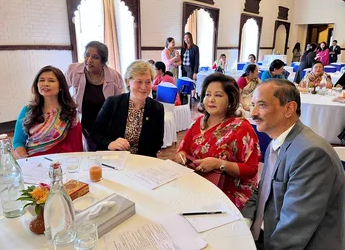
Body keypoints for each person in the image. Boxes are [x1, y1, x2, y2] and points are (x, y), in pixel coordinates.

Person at [242, 79, 345, 250]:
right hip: (265, 233)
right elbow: (263, 188)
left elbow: (295, 229)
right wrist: (245, 221)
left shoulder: (311, 154)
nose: (252, 113)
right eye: (253, 104)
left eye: (261, 105)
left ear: (289, 109)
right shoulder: (277, 141)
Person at [173, 73, 260, 210]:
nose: (211, 100)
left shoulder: (242, 128)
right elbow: (182, 150)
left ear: (230, 100)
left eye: (218, 95)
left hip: (227, 192)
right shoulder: (197, 123)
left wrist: (219, 164)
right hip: (196, 184)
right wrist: (181, 156)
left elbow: (251, 169)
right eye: (208, 94)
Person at [92, 60, 164, 157]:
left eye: (148, 82)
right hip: (112, 158)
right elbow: (96, 133)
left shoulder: (157, 108)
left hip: (141, 161)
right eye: (139, 81)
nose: (144, 87)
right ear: (127, 82)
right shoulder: (112, 103)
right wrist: (110, 144)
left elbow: (157, 143)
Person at [65, 41, 124, 151]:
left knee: (107, 151)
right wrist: (68, 106)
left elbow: (120, 102)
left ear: (103, 61)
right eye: (87, 55)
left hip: (107, 124)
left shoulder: (114, 77)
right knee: (91, 152)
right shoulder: (74, 70)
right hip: (86, 122)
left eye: (95, 57)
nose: (89, 60)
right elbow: (61, 89)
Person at [13, 66, 83, 158]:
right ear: (37, 84)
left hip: (61, 163)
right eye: (42, 80)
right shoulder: (27, 110)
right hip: (34, 162)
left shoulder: (70, 112)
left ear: (61, 86)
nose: (45, 84)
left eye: (51, 81)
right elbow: (18, 142)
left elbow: (76, 146)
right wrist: (26, 160)